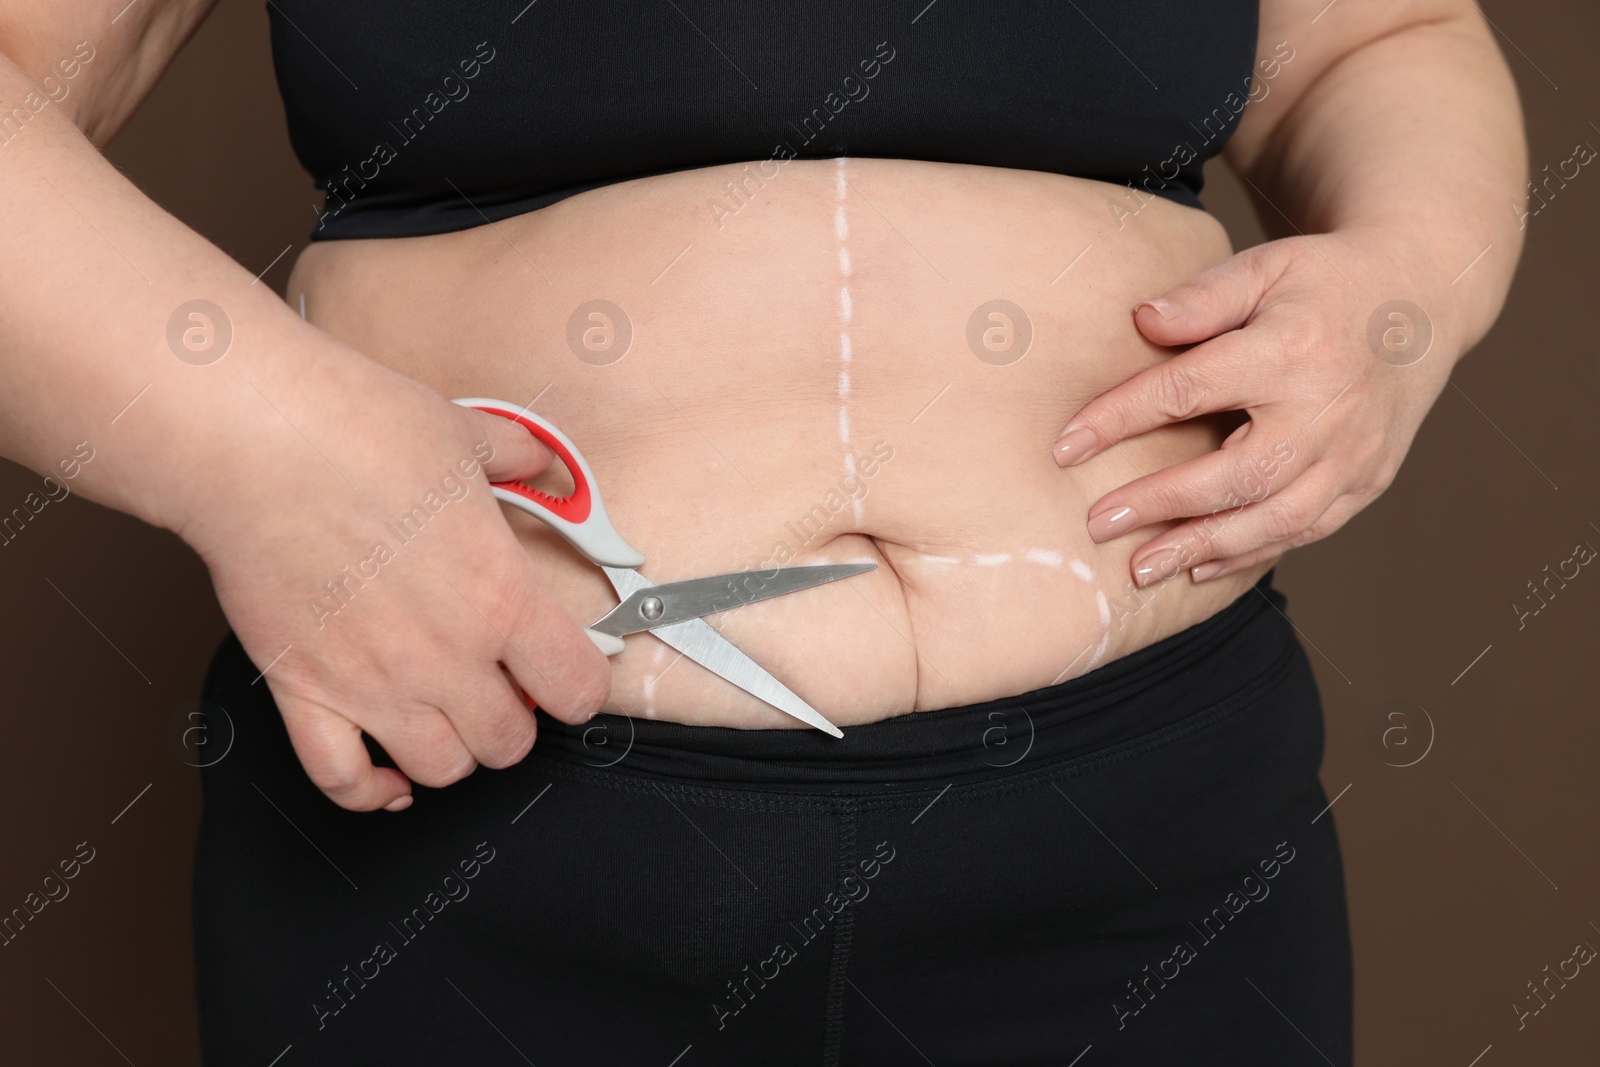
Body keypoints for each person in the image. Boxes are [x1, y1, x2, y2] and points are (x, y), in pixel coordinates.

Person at [0, 0, 1524, 1063]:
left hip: (1153, 845)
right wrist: (254, 443)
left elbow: (1381, 39)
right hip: (471, 840)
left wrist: (1406, 286)